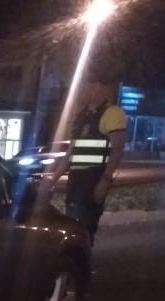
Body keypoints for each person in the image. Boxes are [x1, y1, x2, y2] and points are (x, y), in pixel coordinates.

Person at [43, 70, 127, 246]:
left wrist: (104, 181)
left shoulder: (112, 113)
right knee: (72, 224)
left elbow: (117, 149)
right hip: (76, 181)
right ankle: (76, 259)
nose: (83, 91)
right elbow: (71, 152)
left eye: (87, 87)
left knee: (85, 227)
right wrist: (54, 178)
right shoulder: (81, 116)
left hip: (93, 179)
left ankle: (81, 263)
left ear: (99, 88)